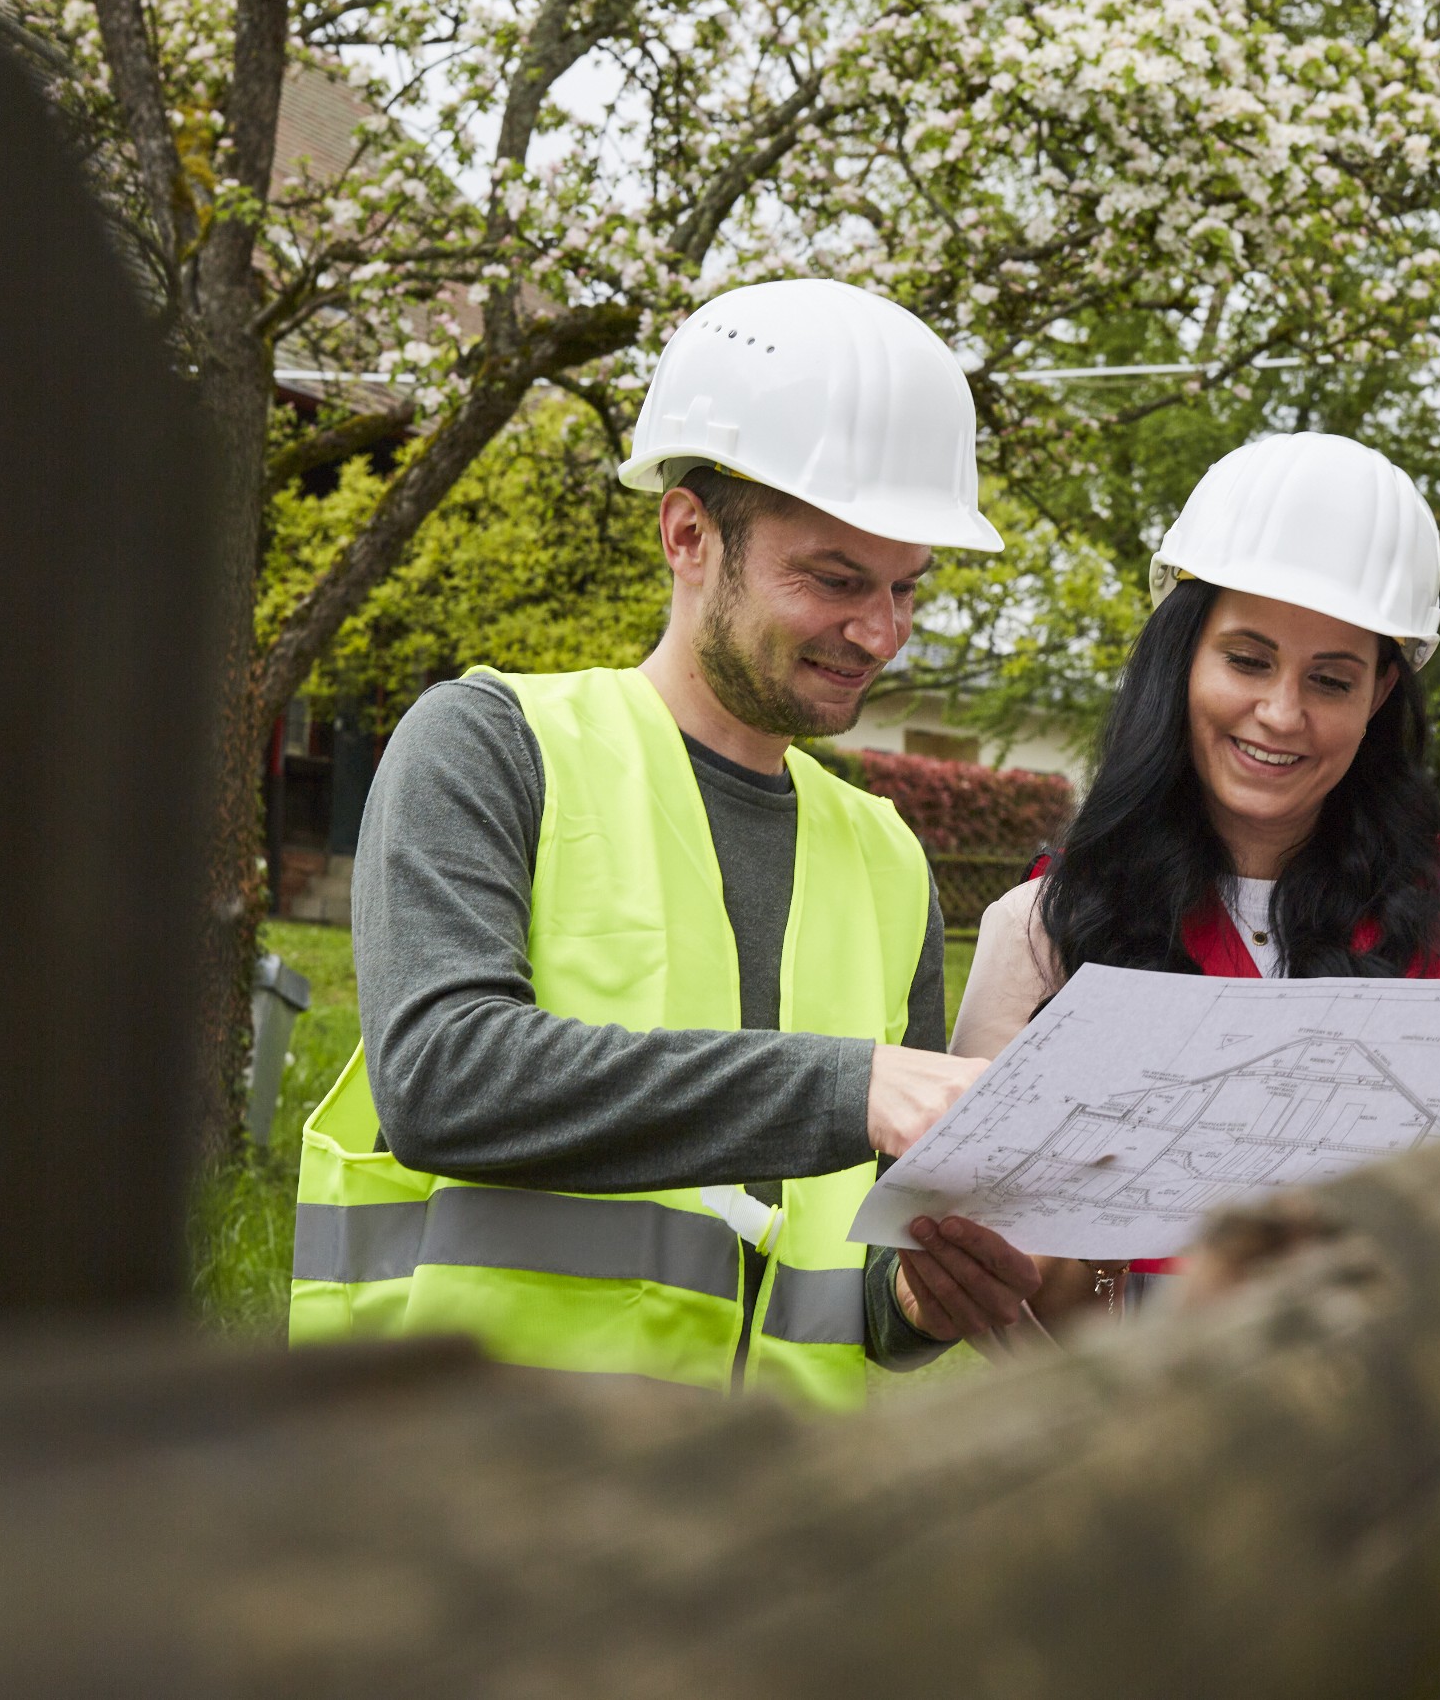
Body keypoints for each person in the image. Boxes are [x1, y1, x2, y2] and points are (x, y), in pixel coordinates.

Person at [291, 278, 1042, 1408]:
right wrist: (853, 1084)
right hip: (468, 1504)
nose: (878, 631)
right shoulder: (492, 744)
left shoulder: (888, 858)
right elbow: (442, 1075)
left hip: (774, 1531)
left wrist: (919, 1306)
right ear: (688, 532)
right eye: (833, 579)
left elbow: (857, 1279)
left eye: (903, 588)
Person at [949, 432, 1440, 1696]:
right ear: (1178, 658)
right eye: (1245, 657)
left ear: (1380, 701)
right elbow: (1002, 1297)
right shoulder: (1044, 928)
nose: (1279, 713)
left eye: (1332, 676)